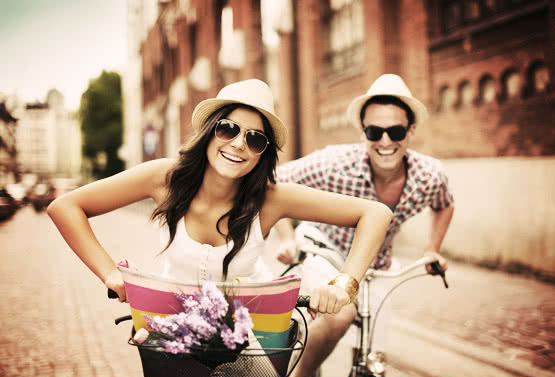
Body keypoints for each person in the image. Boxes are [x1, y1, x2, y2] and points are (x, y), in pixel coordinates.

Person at [47, 78, 393, 320]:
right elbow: (65, 206)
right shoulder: (165, 178)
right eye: (228, 129)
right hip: (175, 324)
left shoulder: (271, 198)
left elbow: (376, 214)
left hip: (252, 334)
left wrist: (345, 284)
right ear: (209, 132)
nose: (239, 144)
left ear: (263, 155)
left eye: (255, 139)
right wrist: (111, 275)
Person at [275, 74, 455, 377]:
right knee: (341, 312)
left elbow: (444, 204)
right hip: (325, 250)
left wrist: (432, 249)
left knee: (372, 357)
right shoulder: (333, 163)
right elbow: (273, 185)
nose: (385, 142)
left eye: (396, 131)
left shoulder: (430, 175)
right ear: (363, 133)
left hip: (377, 264)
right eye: (375, 131)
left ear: (411, 130)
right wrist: (287, 237)